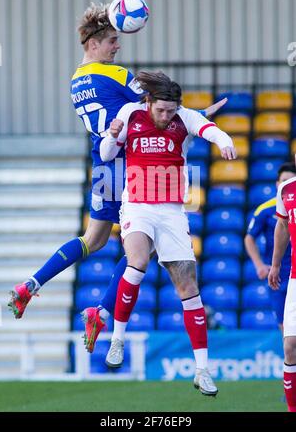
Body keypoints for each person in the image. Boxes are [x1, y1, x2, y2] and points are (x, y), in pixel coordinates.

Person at [8, 1, 227, 353]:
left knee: (92, 239)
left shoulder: (76, 81)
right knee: (145, 243)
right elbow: (159, 106)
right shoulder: (115, 74)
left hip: (102, 162)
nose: (118, 45)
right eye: (112, 40)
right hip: (133, 163)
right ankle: (102, 312)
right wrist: (198, 117)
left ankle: (30, 285)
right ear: (93, 43)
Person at [92, 70, 237, 396]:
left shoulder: (183, 118)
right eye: (161, 110)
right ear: (149, 101)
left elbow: (210, 130)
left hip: (172, 211)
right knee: (137, 262)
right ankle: (117, 340)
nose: (165, 116)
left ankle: (202, 369)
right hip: (138, 205)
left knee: (188, 286)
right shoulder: (130, 114)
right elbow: (105, 155)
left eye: (170, 111)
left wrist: (225, 141)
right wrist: (113, 136)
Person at [245, 163, 296, 332]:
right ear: (277, 184)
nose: (287, 184)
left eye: (291, 181)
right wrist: (259, 265)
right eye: (284, 180)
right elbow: (249, 238)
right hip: (279, 275)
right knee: (284, 326)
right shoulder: (265, 210)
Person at [268, 167, 296, 412]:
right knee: (290, 344)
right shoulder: (286, 189)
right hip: (295, 277)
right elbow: (282, 226)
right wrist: (275, 264)